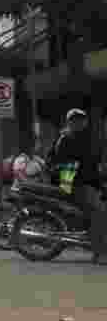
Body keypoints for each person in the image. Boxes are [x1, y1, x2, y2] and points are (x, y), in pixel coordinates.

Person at [47, 108, 105, 260]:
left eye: (82, 119)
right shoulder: (66, 138)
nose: (79, 122)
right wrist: (70, 185)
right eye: (75, 120)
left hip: (85, 182)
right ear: (69, 122)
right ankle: (100, 251)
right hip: (74, 184)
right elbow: (62, 164)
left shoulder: (84, 138)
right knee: (99, 212)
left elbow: (90, 164)